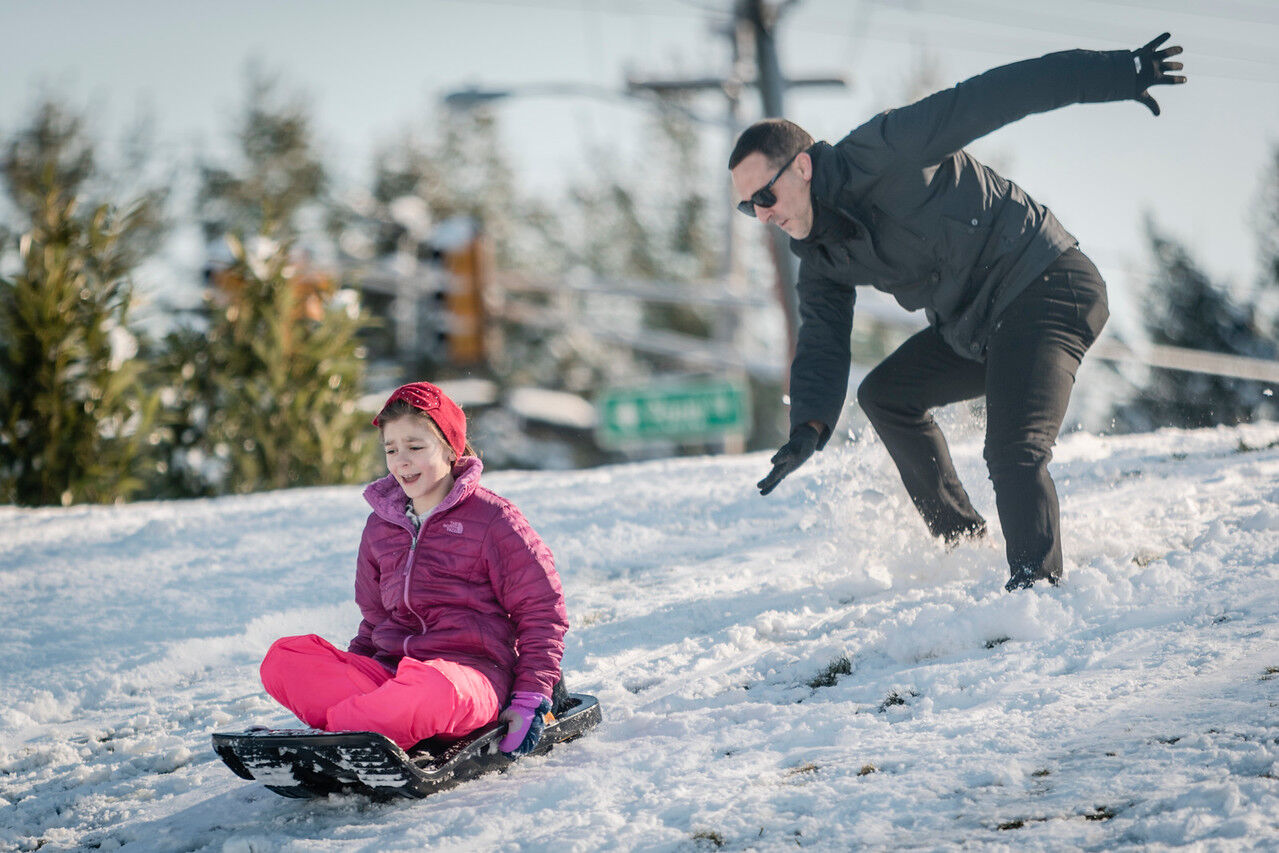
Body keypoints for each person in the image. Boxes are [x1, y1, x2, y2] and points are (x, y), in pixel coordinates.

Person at [730, 34, 1186, 591]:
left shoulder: (888, 148)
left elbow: (999, 93)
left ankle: (1037, 595)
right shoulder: (821, 254)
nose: (762, 216)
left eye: (765, 197)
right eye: (747, 207)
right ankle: (965, 546)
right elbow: (823, 338)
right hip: (978, 328)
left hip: (1046, 285)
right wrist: (809, 425)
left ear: (802, 167)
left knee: (1012, 450)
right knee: (885, 395)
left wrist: (1118, 72)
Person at [260, 381, 568, 755]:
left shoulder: (493, 519)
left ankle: (344, 733)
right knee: (284, 660)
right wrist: (351, 671)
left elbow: (541, 611)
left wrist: (531, 695)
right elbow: (375, 620)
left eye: (415, 447)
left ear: (451, 448)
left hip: (467, 679)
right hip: (392, 674)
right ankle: (370, 721)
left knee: (429, 689)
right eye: (391, 450)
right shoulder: (380, 527)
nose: (401, 461)